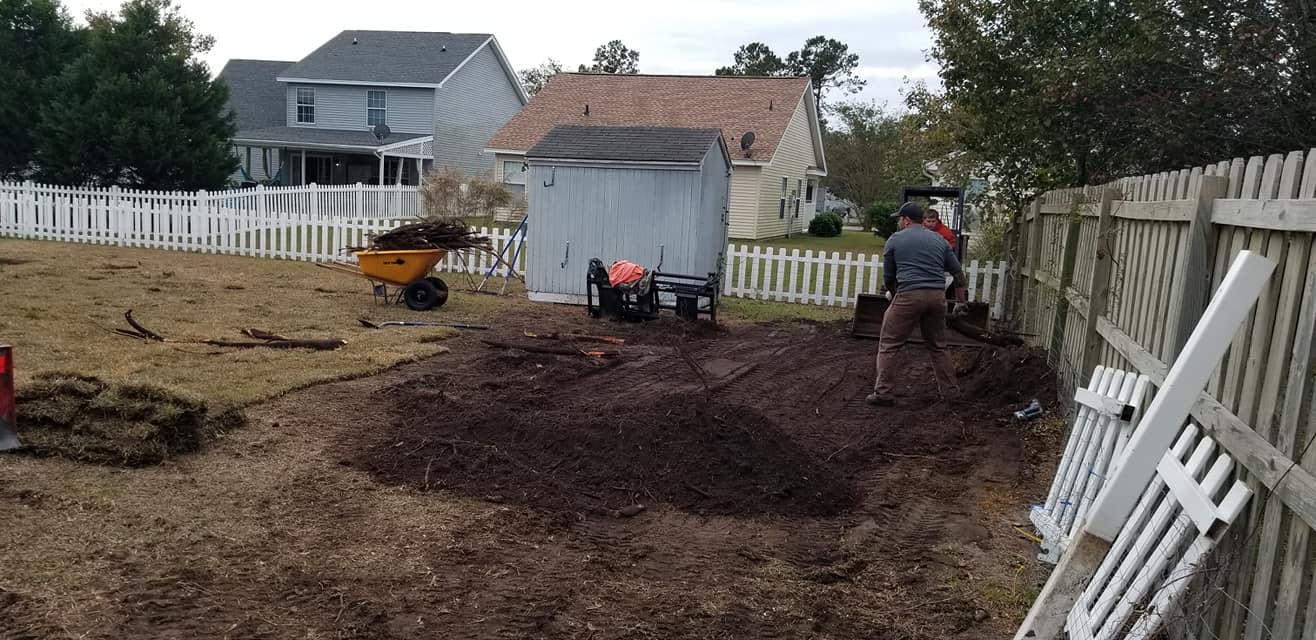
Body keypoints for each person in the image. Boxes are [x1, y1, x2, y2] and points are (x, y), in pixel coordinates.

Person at [868, 202, 968, 406]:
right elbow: (958, 274)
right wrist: (960, 302)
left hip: (909, 295)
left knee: (889, 344)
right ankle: (951, 393)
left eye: (899, 219)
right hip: (937, 297)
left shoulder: (895, 240)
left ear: (906, 220)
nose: (898, 222)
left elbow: (889, 278)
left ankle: (883, 393)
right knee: (938, 346)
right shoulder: (939, 240)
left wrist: (897, 295)